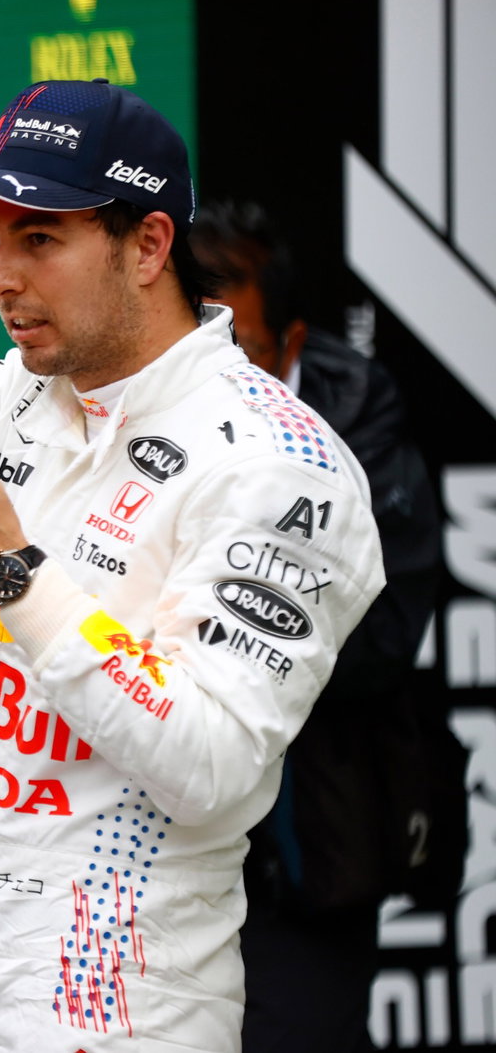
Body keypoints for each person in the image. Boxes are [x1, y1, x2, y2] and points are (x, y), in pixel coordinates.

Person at [0, 78, 385, 1052]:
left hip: (130, 1017)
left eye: (38, 239)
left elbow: (211, 763)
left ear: (148, 245)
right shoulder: (19, 395)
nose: (1, 276)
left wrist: (10, 569)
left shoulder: (279, 466)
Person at [191, 200, 453, 1053]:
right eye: (193, 344)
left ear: (293, 343)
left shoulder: (358, 415)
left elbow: (382, 634)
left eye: (240, 350)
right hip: (155, 840)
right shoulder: (126, 403)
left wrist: (207, 637)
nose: (215, 377)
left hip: (313, 837)